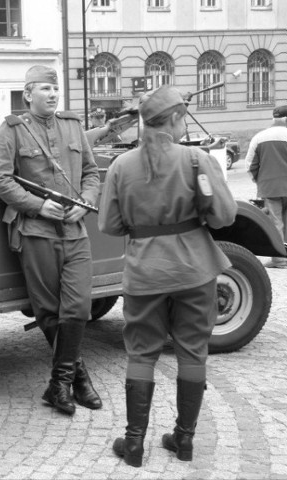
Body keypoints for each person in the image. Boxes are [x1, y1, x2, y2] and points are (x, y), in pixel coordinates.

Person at [98, 85, 237, 467]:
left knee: (141, 353)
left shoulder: (120, 166)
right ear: (176, 119)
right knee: (193, 350)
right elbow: (224, 217)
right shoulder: (196, 159)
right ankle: (185, 440)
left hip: (145, 271)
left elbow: (109, 224)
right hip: (195, 268)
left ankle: (134, 444)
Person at [0, 65, 102, 416]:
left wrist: (84, 205)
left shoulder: (72, 125)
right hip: (35, 232)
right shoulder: (12, 130)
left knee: (79, 306)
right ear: (27, 95)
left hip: (75, 230)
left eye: (55, 88)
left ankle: (59, 383)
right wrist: (39, 206)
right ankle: (77, 378)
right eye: (44, 88)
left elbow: (91, 174)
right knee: (50, 312)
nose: (53, 94)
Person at [246, 104, 287, 268]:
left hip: (270, 188)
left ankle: (279, 259)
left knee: (275, 222)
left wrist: (259, 181)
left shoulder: (259, 137)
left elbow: (250, 165)